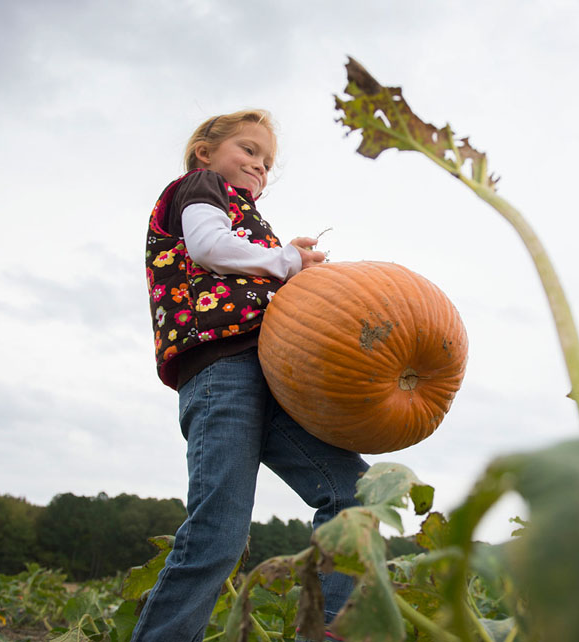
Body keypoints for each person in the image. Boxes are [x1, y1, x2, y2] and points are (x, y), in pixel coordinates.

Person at [135, 109, 369, 642]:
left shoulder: (249, 221)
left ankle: (330, 629)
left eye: (267, 162)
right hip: (221, 372)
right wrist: (286, 261)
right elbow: (208, 248)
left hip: (269, 375)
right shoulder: (200, 187)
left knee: (353, 493)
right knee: (218, 533)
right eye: (248, 150)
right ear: (205, 151)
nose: (259, 166)